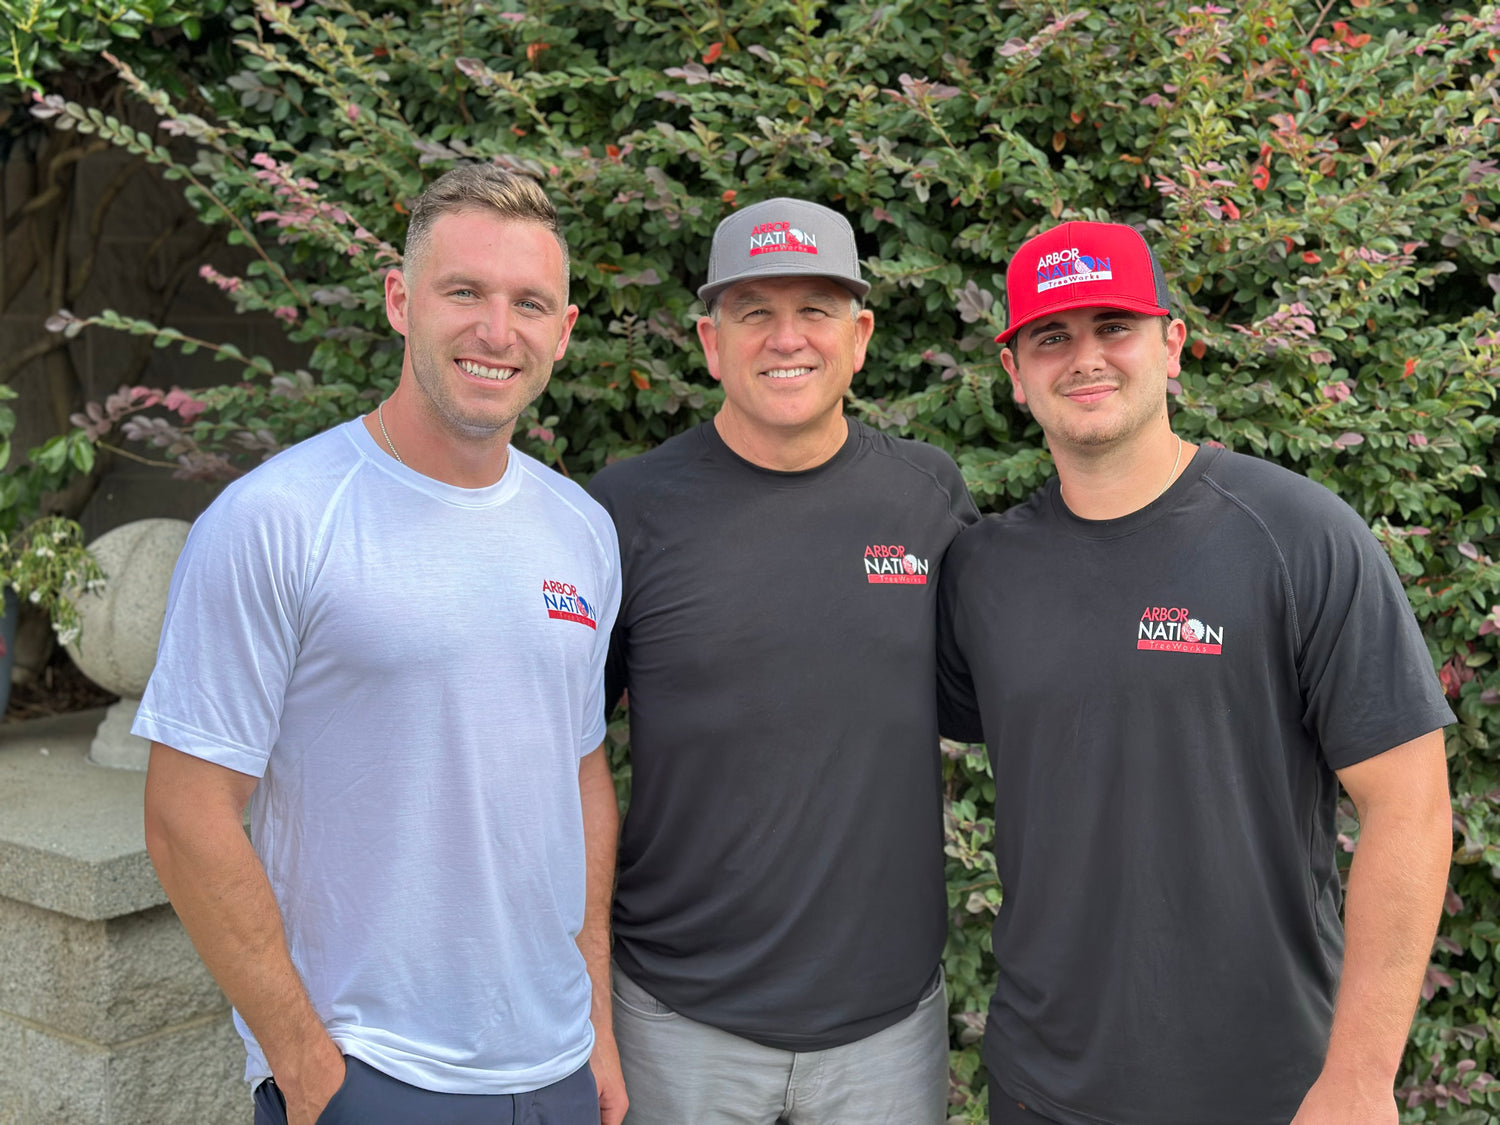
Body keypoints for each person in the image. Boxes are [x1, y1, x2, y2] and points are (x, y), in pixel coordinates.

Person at [138, 165, 627, 1125]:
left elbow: (580, 774)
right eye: (465, 292)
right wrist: (306, 1065)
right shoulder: (279, 520)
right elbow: (185, 811)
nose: (498, 330)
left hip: (557, 1067)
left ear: (563, 332)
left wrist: (597, 1017)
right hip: (373, 1075)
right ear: (401, 301)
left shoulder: (581, 529)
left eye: (530, 302)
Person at [937, 220, 1455, 1125]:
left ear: (1172, 346)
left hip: (1269, 1088)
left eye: (1114, 327)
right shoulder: (983, 572)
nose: (1085, 358)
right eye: (1051, 336)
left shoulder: (1298, 538)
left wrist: (1361, 1076)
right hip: (1042, 1088)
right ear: (1014, 373)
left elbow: (1411, 807)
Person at [586, 197, 979, 1124]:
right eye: (754, 309)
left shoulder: (927, 497)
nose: (785, 337)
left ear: (862, 334)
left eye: (816, 308)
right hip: (677, 1018)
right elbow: (565, 763)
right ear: (710, 340)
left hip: (886, 1027)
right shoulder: (625, 511)